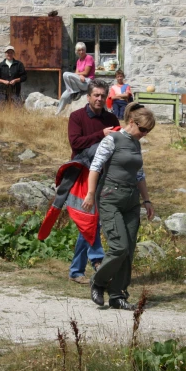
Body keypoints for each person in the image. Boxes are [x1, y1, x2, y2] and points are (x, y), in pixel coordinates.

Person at [83, 103, 155, 311]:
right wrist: (90, 194)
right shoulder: (112, 140)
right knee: (119, 247)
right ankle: (98, 281)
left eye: (148, 131)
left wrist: (147, 201)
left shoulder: (136, 144)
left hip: (131, 200)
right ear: (132, 122)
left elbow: (139, 174)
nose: (144, 133)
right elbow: (96, 167)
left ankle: (117, 295)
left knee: (129, 249)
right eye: (142, 129)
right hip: (110, 197)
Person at [66, 80, 119, 284]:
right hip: (82, 173)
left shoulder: (111, 117)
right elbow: (75, 143)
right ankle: (94, 261)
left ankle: (79, 270)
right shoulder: (76, 117)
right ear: (88, 97)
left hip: (105, 174)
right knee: (88, 219)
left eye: (102, 95)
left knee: (92, 221)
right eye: (95, 95)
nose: (99, 99)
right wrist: (101, 135)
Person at [56, 42, 94, 114]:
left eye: (83, 50)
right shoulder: (78, 61)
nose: (81, 52)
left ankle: (76, 91)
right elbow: (76, 73)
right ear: (77, 51)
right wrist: (80, 75)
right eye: (79, 50)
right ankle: (57, 113)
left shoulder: (89, 58)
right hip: (79, 82)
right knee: (63, 97)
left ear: (85, 50)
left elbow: (86, 72)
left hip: (87, 82)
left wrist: (81, 75)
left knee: (66, 74)